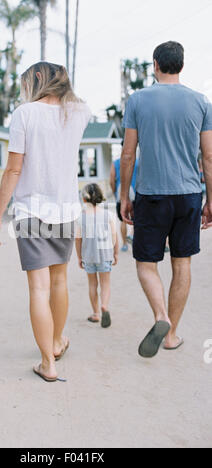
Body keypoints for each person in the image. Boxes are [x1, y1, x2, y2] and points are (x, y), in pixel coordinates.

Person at [0, 62, 91, 382]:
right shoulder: (78, 113)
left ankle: (48, 362)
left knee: (38, 288)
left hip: (32, 211)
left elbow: (14, 170)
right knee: (59, 281)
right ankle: (57, 342)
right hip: (66, 210)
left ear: (35, 79)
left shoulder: (24, 114)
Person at [120, 41, 212, 358]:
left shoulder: (137, 100)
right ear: (181, 65)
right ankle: (171, 334)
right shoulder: (201, 102)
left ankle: (160, 315)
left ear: (156, 64)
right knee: (181, 262)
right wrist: (210, 200)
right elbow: (209, 157)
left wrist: (124, 196)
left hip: (151, 194)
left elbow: (128, 153)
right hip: (188, 193)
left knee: (146, 263)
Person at [75, 184, 119, 328]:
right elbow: (114, 235)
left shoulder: (81, 218)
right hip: (105, 255)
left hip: (88, 256)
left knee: (92, 284)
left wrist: (79, 257)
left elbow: (78, 239)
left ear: (84, 199)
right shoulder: (108, 215)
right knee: (105, 284)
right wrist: (116, 252)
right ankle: (104, 306)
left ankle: (95, 314)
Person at [110, 149, 138, 252]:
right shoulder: (137, 161)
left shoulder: (116, 163)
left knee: (123, 220)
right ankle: (134, 237)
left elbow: (111, 180)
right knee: (136, 218)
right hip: (135, 193)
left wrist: (115, 193)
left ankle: (125, 244)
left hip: (121, 193)